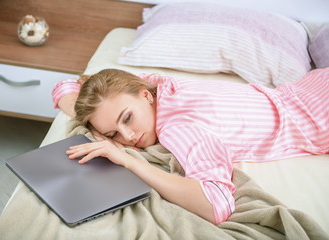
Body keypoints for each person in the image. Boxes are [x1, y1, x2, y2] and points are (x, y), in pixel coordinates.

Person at [52, 68, 329, 225]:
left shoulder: (178, 128)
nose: (128, 136)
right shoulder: (152, 86)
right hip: (311, 85)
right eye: (114, 133)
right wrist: (95, 125)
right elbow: (65, 85)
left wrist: (128, 160)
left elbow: (216, 204)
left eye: (127, 118)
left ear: (145, 96)